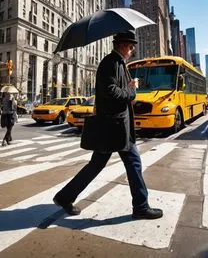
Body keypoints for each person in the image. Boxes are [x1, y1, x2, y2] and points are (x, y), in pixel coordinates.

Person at [53, 30, 163, 220]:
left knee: (97, 164)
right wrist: (131, 90)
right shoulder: (110, 63)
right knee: (133, 162)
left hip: (116, 125)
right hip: (115, 126)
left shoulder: (118, 63)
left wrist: (129, 85)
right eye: (130, 47)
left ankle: (65, 197)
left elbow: (116, 88)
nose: (132, 50)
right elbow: (111, 91)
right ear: (121, 45)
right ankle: (141, 206)